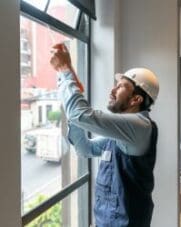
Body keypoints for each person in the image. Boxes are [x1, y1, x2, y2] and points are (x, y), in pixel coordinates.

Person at [50, 44, 159, 227]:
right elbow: (86, 149)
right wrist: (74, 106)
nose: (113, 90)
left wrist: (65, 71)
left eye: (121, 87)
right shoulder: (122, 132)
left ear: (136, 99)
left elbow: (81, 115)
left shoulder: (140, 127)